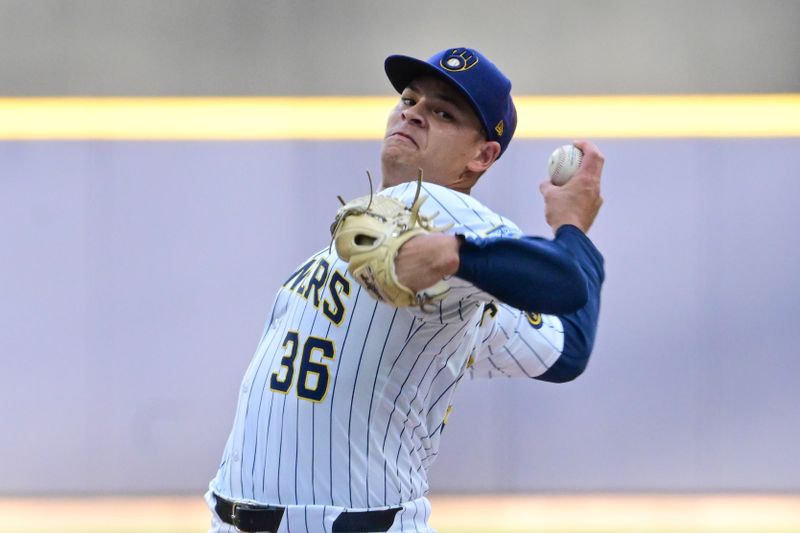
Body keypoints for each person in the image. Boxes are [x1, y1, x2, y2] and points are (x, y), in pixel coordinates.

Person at [206, 47, 605, 533]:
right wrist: (573, 234)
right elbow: (570, 350)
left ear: (482, 156)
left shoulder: (445, 209)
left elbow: (563, 282)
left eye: (442, 112)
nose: (413, 113)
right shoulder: (418, 264)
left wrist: (463, 251)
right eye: (409, 99)